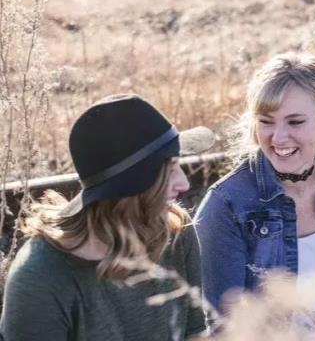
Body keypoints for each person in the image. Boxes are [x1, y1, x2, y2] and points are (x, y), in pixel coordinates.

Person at [0, 94, 215, 341]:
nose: (185, 183)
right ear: (130, 186)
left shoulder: (177, 230)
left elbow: (195, 334)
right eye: (170, 169)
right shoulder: (41, 278)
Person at [194, 52, 315, 337]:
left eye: (295, 122)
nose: (279, 137)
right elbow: (222, 328)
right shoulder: (226, 204)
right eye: (266, 121)